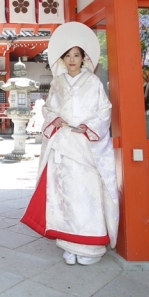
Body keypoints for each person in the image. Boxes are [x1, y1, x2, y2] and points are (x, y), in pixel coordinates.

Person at [21, 22, 119, 266]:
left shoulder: (94, 83)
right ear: (62, 59)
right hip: (64, 142)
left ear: (84, 58)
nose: (72, 59)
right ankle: (67, 243)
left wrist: (89, 128)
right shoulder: (58, 83)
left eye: (77, 55)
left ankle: (90, 245)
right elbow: (49, 107)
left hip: (85, 144)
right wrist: (55, 119)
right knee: (64, 193)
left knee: (87, 194)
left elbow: (104, 110)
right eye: (68, 56)